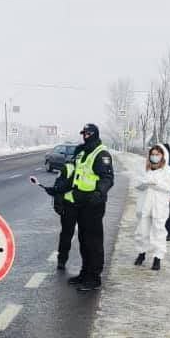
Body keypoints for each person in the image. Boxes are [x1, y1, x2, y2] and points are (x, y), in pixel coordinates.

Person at [68, 124, 114, 291]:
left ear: (94, 134)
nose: (85, 136)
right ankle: (85, 272)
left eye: (87, 133)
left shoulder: (101, 153)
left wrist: (99, 193)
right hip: (81, 203)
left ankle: (94, 278)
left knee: (93, 242)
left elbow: (108, 178)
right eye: (83, 133)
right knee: (83, 240)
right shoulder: (84, 151)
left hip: (94, 204)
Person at [133, 144, 170, 270]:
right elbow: (137, 183)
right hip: (144, 205)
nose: (154, 157)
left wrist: (156, 184)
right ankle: (141, 254)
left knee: (159, 232)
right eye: (152, 154)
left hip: (159, 206)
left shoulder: (168, 170)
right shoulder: (144, 168)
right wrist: (144, 183)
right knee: (142, 231)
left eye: (157, 154)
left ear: (163, 155)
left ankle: (157, 258)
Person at [43, 146, 80, 270]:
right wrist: (58, 204)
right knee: (66, 235)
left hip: (86, 208)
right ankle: (62, 260)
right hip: (69, 206)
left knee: (85, 237)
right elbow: (58, 186)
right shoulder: (68, 168)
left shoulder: (90, 168)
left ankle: (87, 268)